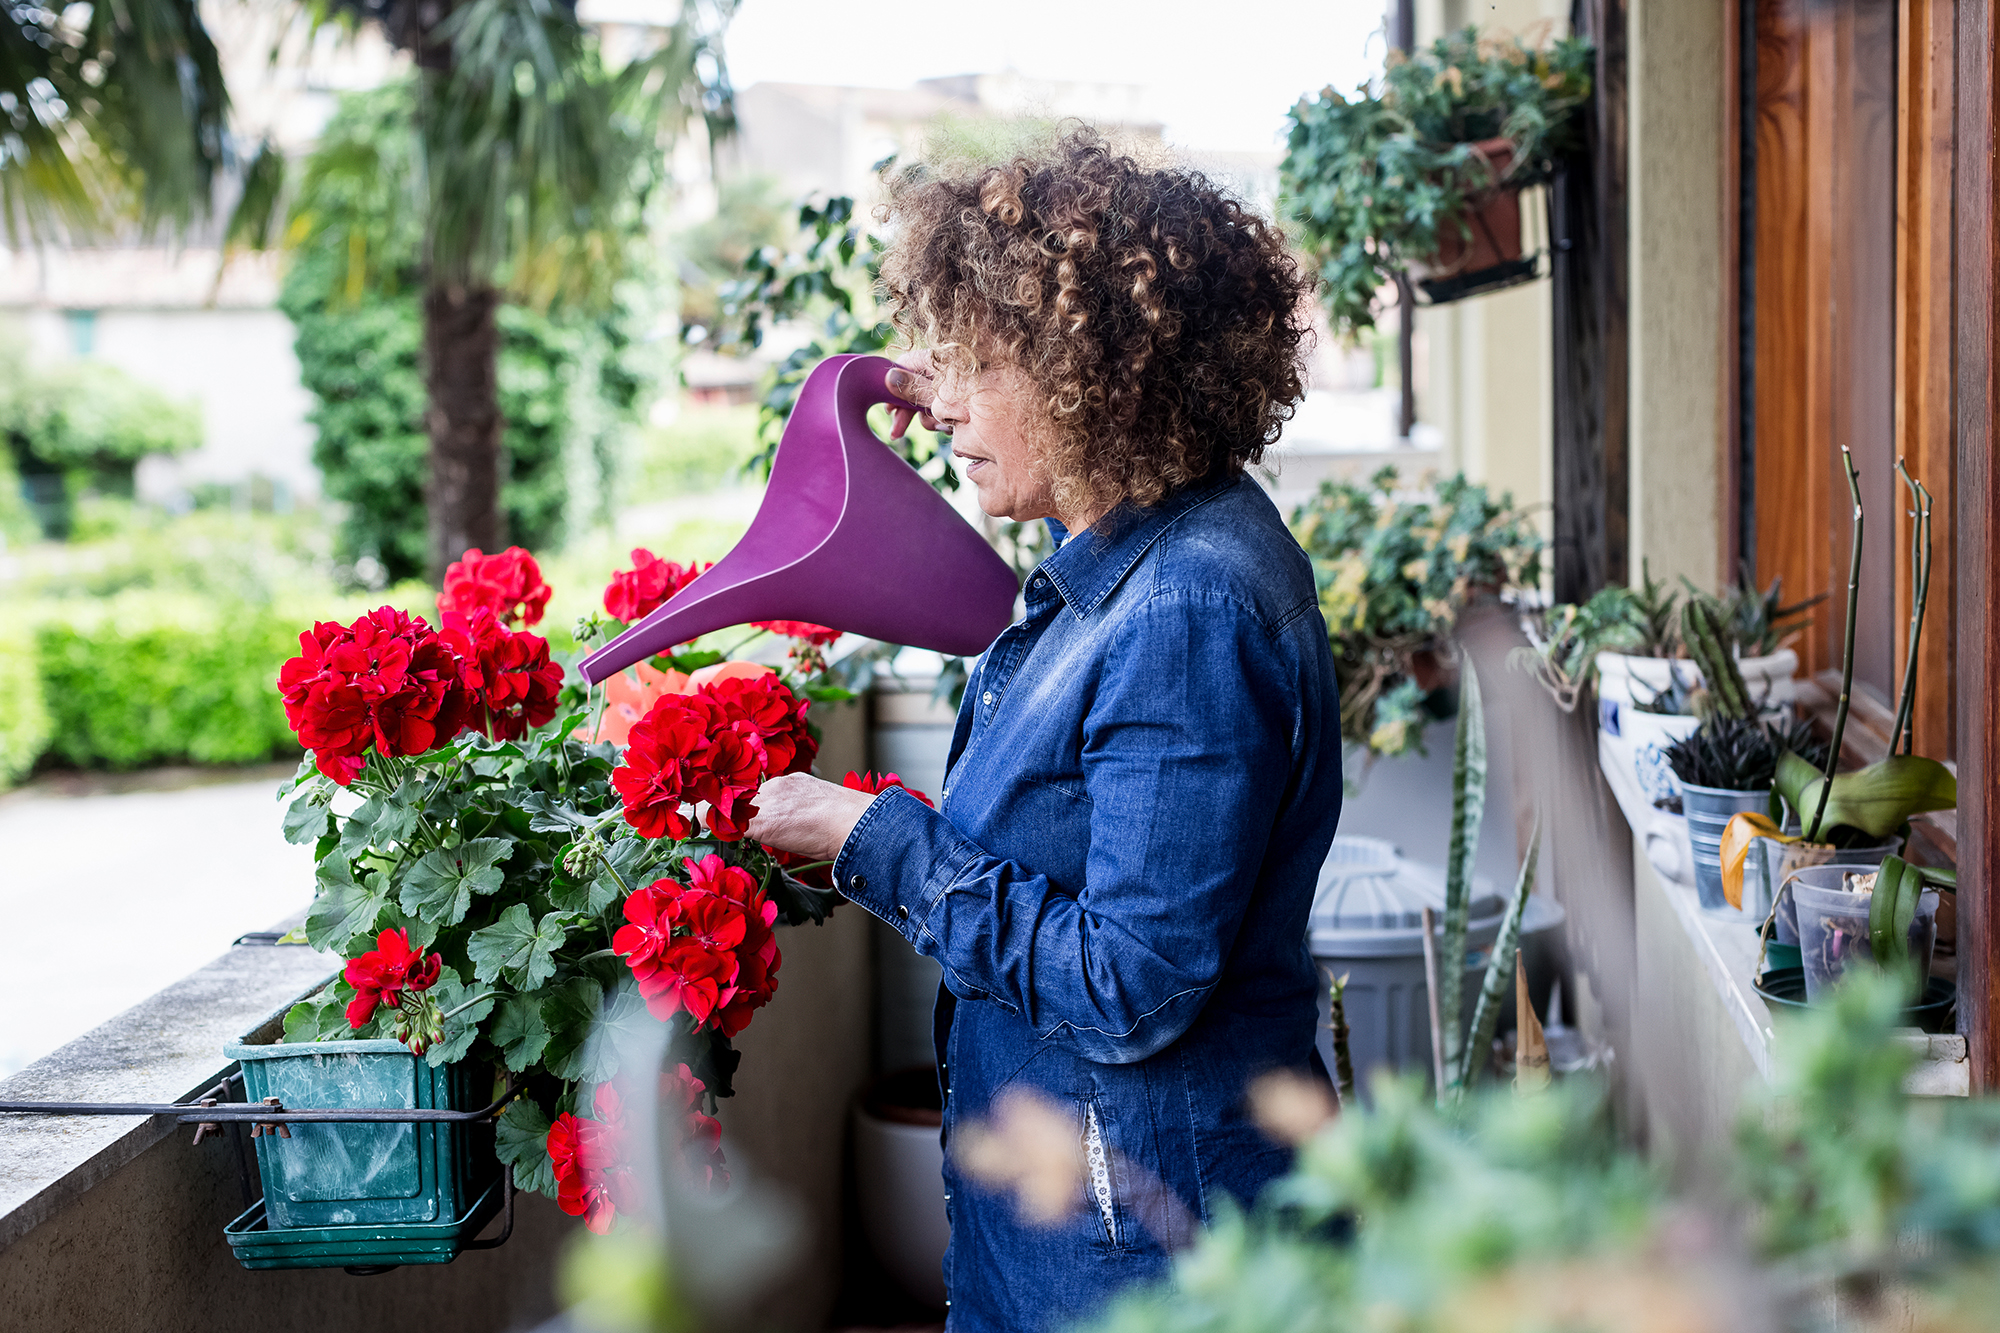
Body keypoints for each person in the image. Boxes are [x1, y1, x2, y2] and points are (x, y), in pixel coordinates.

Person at [745, 129, 1343, 1333]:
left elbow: (1130, 987)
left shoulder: (1184, 607)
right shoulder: (1141, 555)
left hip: (1141, 1249)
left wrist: (870, 835)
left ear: (1094, 375)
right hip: (1096, 1216)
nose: (940, 401)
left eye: (975, 362)